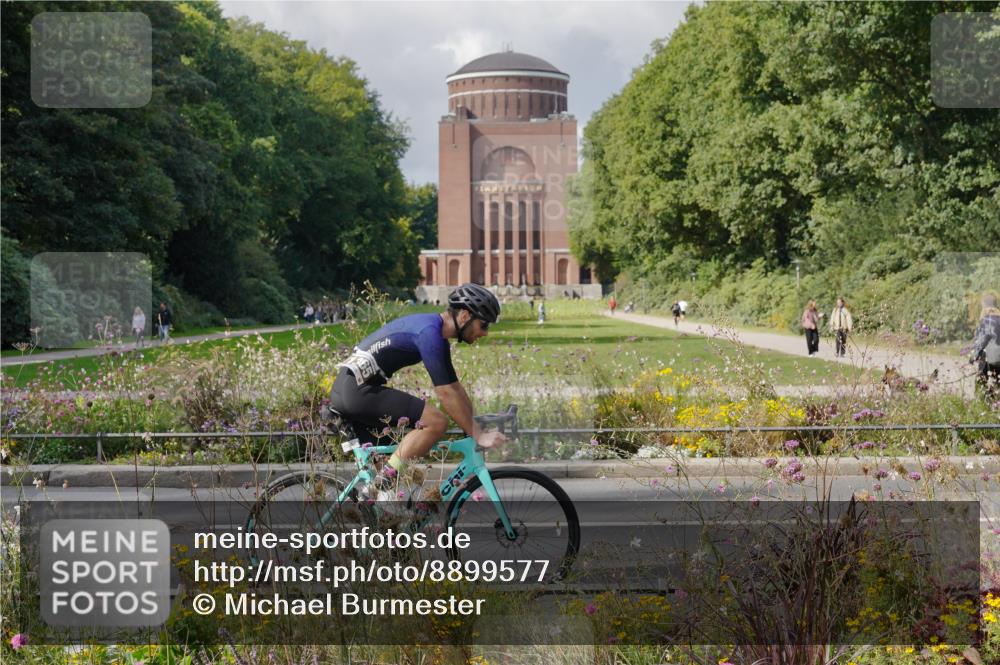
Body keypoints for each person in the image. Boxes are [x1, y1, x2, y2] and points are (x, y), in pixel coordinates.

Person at [328, 283, 506, 505]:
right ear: (464, 315)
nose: (485, 333)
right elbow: (446, 394)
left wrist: (474, 424)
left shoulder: (432, 329)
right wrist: (478, 435)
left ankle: (378, 518)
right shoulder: (430, 334)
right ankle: (377, 489)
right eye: (484, 324)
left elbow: (455, 387)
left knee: (387, 483)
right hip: (356, 392)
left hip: (350, 389)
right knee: (435, 422)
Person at [969, 293, 1000, 401]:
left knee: (980, 379)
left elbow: (982, 341)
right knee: (997, 382)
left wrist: (974, 356)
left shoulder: (987, 320)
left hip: (990, 358)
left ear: (984, 306)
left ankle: (980, 401)